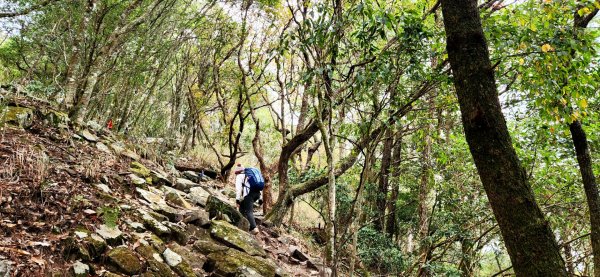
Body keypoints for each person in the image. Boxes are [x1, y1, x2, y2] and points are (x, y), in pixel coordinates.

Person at [234, 164, 263, 234]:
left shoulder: (239, 176)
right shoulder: (250, 175)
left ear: (237, 172)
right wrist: (260, 198)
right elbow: (260, 186)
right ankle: (245, 225)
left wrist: (237, 199)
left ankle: (254, 228)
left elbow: (238, 189)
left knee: (249, 211)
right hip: (257, 194)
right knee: (242, 208)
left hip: (249, 195)